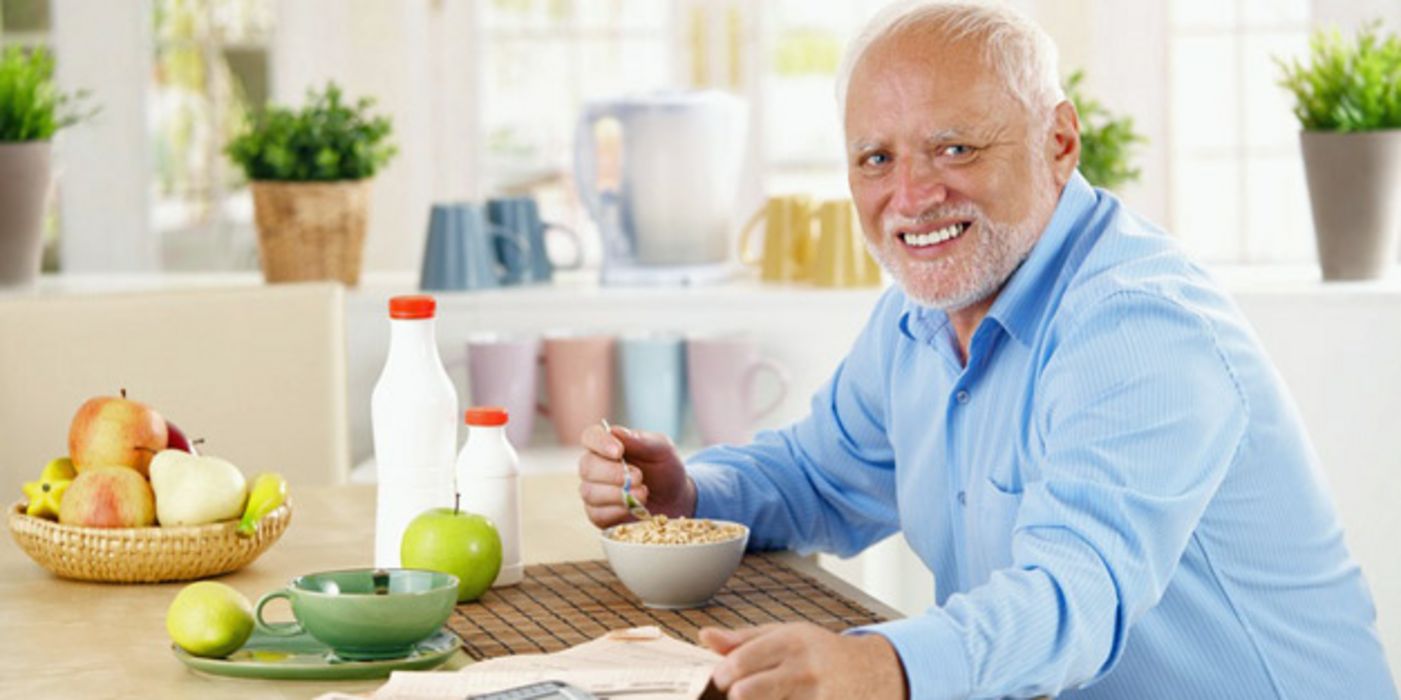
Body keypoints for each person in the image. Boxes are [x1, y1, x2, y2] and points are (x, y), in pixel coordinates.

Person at [577, 2, 1397, 698]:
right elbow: (821, 475)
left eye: (955, 147)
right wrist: (690, 492)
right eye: (876, 158)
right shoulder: (920, 315)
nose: (912, 195)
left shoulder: (1137, 325)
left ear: (1059, 143)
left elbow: (1073, 596)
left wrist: (879, 666)